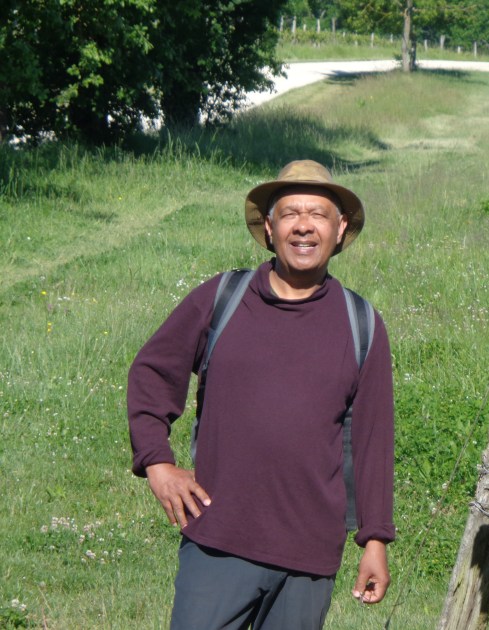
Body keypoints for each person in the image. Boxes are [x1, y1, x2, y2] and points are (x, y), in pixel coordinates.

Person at [127, 160, 395, 629]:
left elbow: (373, 438)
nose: (304, 226)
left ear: (339, 229)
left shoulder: (362, 324)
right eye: (290, 213)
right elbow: (152, 371)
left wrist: (374, 540)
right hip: (218, 543)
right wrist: (157, 463)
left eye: (318, 214)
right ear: (270, 228)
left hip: (308, 558)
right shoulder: (222, 298)